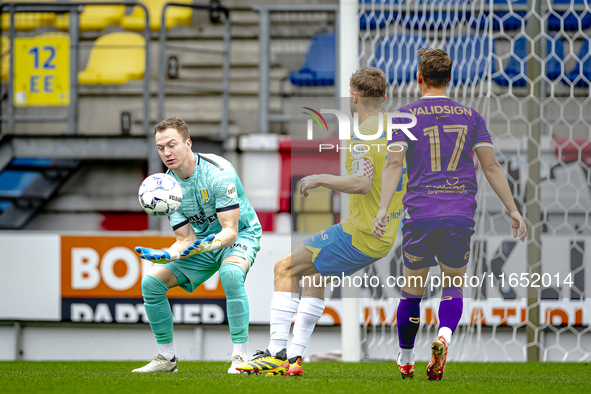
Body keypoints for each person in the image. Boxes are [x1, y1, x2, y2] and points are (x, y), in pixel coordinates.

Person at [236, 67, 407, 376]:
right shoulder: (396, 128)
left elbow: (362, 182)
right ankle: (295, 359)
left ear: (353, 97)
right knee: (315, 277)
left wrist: (320, 178)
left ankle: (275, 353)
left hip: (359, 233)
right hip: (383, 235)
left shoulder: (363, 134)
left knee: (284, 267)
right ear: (384, 96)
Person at [373, 49, 527, 381]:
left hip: (420, 213)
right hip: (459, 212)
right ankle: (444, 336)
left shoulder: (404, 116)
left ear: (418, 78)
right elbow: (490, 166)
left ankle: (405, 358)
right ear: (450, 79)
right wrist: (513, 210)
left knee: (412, 291)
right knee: (453, 285)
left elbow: (394, 164)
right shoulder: (471, 117)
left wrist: (383, 209)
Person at [132, 117, 261, 374]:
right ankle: (167, 359)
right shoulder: (167, 186)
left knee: (231, 274)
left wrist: (207, 245)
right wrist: (166, 254)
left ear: (188, 143)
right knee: (151, 283)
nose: (166, 153)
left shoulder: (218, 173)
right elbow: (185, 239)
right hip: (201, 244)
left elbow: (230, 231)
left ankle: (240, 357)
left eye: (172, 145)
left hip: (240, 235)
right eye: (160, 148)